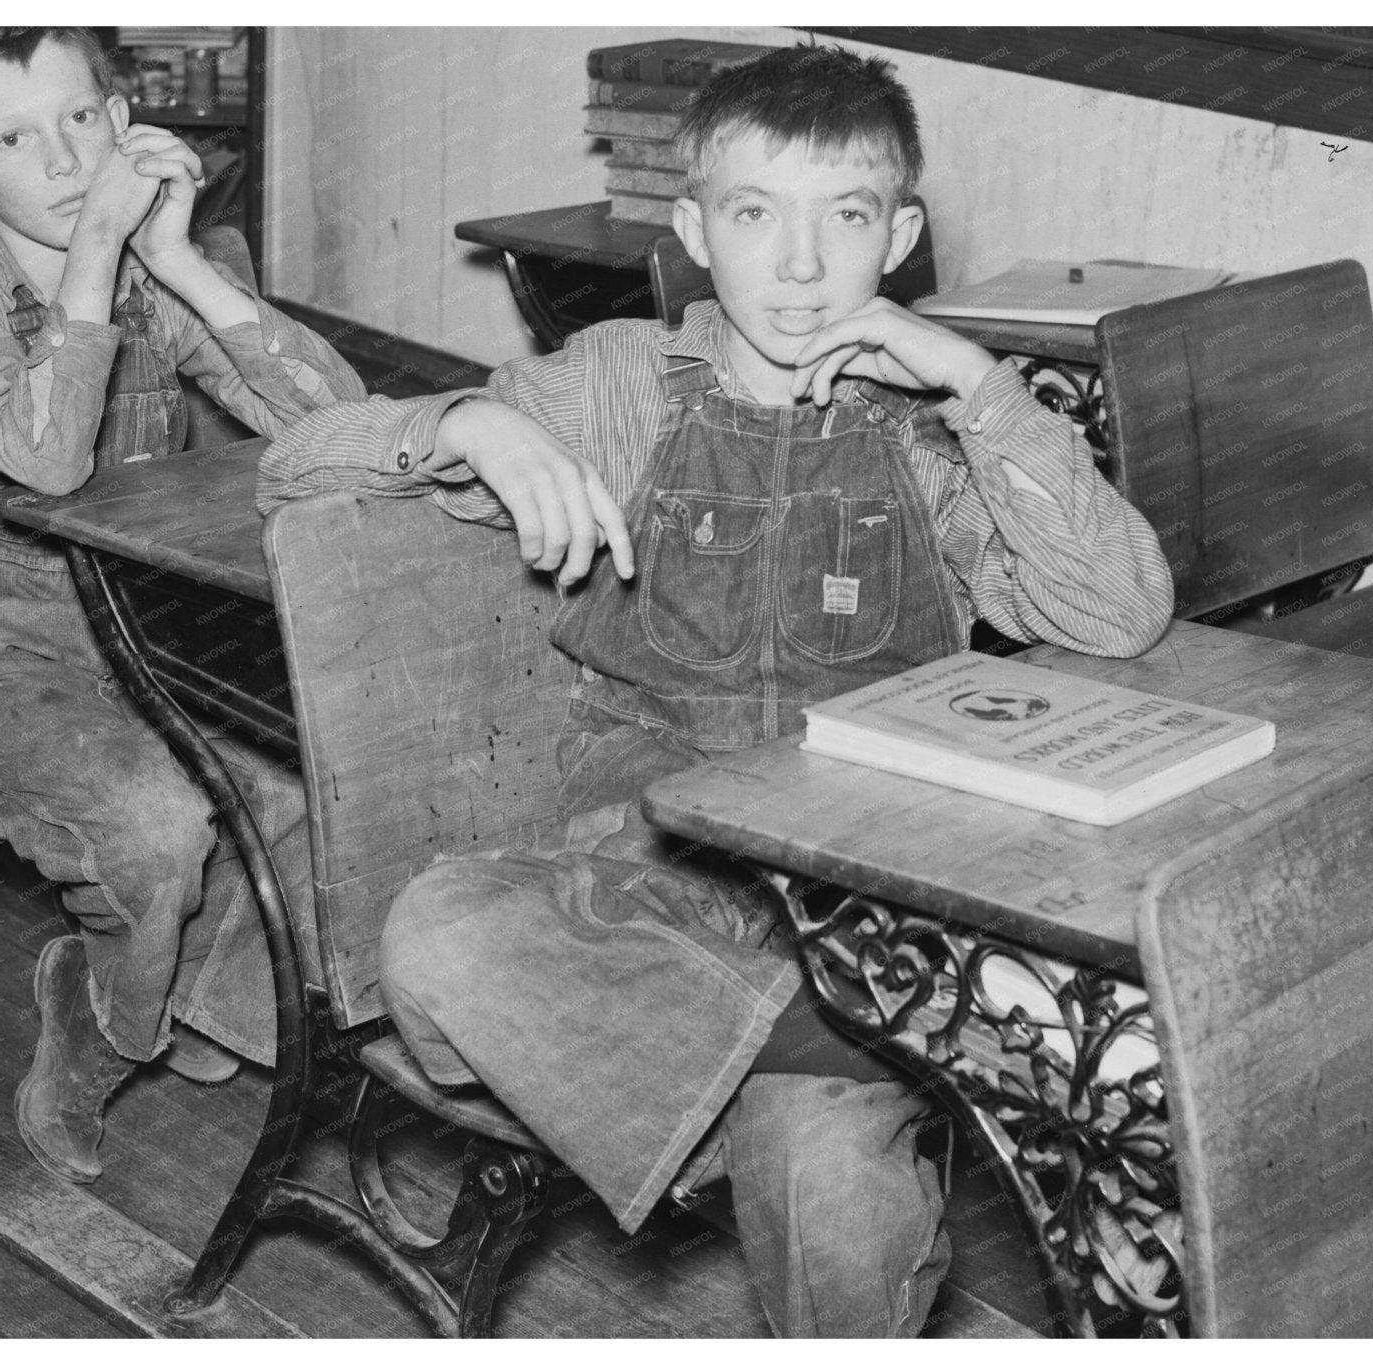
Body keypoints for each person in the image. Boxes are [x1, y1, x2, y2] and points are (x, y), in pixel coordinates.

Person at [259, 43, 1172, 1336]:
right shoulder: (626, 382)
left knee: (820, 1164)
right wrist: (469, 423)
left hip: (873, 879)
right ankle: (929, 1044)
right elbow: (292, 465)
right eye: (755, 216)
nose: (799, 269)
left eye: (845, 218)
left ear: (899, 236)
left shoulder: (926, 426)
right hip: (649, 876)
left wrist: (978, 384)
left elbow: (1122, 613)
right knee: (439, 937)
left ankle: (826, 1054)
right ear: (694, 230)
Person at [0, 27, 365, 1185]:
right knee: (157, 825)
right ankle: (99, 1027)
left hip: (122, 616)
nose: (66, 157)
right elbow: (39, 454)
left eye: (83, 118)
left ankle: (165, 985)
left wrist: (178, 260)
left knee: (291, 780)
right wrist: (95, 252)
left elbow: (333, 416)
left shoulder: (139, 277)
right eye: (17, 137)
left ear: (123, 120)